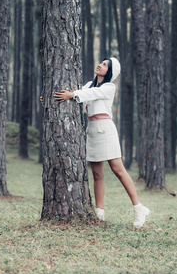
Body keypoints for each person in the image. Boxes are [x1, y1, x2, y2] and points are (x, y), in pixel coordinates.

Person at [53, 57, 150, 228]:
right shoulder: (89, 85)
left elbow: (86, 95)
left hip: (105, 129)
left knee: (118, 170)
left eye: (105, 65)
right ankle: (99, 213)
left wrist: (74, 94)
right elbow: (77, 98)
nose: (100, 65)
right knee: (97, 175)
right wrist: (52, 100)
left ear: (110, 72)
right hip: (92, 130)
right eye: (102, 62)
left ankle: (138, 208)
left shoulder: (108, 87)